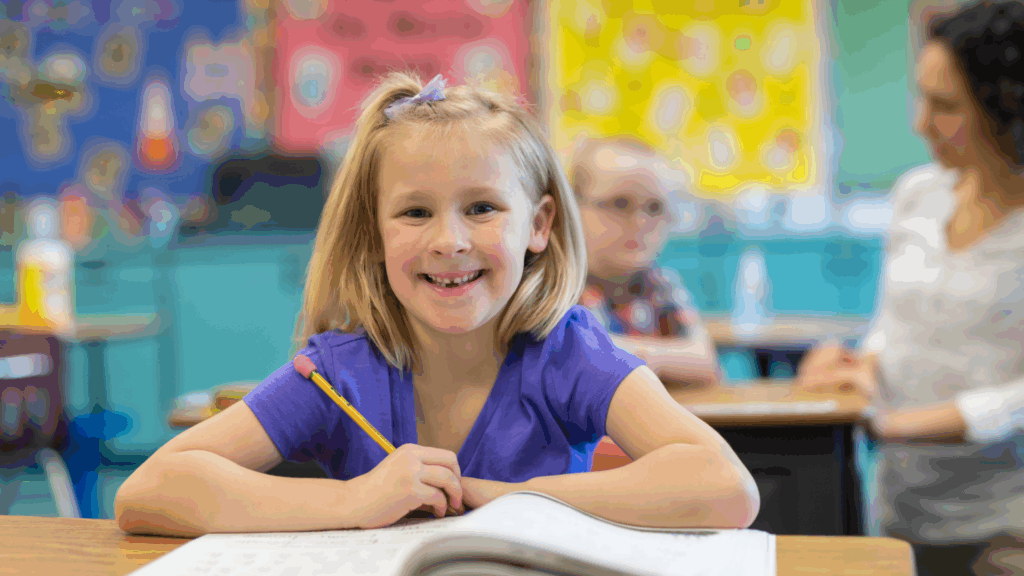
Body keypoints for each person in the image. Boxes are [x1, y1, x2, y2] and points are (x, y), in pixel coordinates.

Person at [113, 72, 758, 536]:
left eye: (481, 208)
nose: (449, 241)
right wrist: (354, 502)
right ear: (376, 230)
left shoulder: (566, 353)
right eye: (415, 212)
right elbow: (147, 492)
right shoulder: (337, 373)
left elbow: (725, 486)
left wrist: (513, 499)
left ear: (538, 225)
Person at [797, 2, 1024, 574]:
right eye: (920, 97)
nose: (921, 122)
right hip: (903, 514)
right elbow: (894, 322)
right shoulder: (919, 193)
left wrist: (898, 425)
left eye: (945, 105)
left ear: (1010, 108)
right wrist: (861, 367)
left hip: (1007, 527)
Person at [569, 135, 720, 387]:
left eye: (655, 208)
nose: (640, 223)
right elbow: (577, 361)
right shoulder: (557, 285)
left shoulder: (658, 283)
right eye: (619, 204)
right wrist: (665, 359)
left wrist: (637, 355)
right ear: (572, 208)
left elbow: (707, 363)